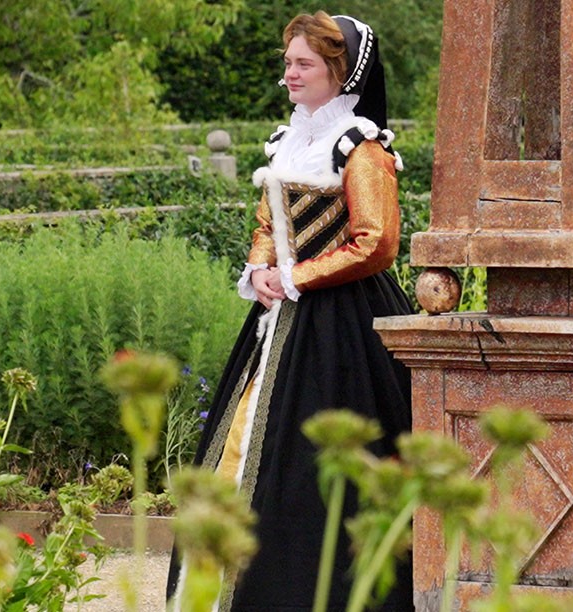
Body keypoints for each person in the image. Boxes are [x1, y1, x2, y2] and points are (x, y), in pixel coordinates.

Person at [166, 11, 414, 611]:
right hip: (277, 317)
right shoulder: (288, 139)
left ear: (339, 69)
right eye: (288, 63)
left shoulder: (363, 149)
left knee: (324, 464)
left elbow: (376, 242)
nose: (290, 73)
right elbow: (265, 222)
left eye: (303, 63)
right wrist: (260, 272)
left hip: (345, 324)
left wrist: (296, 275)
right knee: (246, 443)